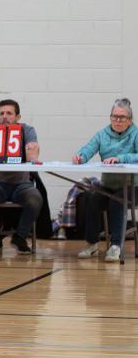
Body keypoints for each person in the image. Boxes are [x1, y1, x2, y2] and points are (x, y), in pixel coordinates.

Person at [72, 97, 138, 262]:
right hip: (108, 185)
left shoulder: (136, 134)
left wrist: (120, 158)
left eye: (121, 117)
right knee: (91, 199)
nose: (117, 120)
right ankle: (92, 243)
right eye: (114, 116)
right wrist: (81, 156)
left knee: (117, 201)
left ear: (130, 120)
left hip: (133, 186)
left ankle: (116, 246)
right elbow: (89, 148)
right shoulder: (102, 134)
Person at [0, 99, 43, 254]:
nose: (4, 117)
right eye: (1, 113)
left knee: (35, 198)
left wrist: (25, 150)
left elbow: (33, 155)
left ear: (18, 117)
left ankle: (20, 237)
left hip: (22, 184)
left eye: (9, 113)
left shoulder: (27, 130)